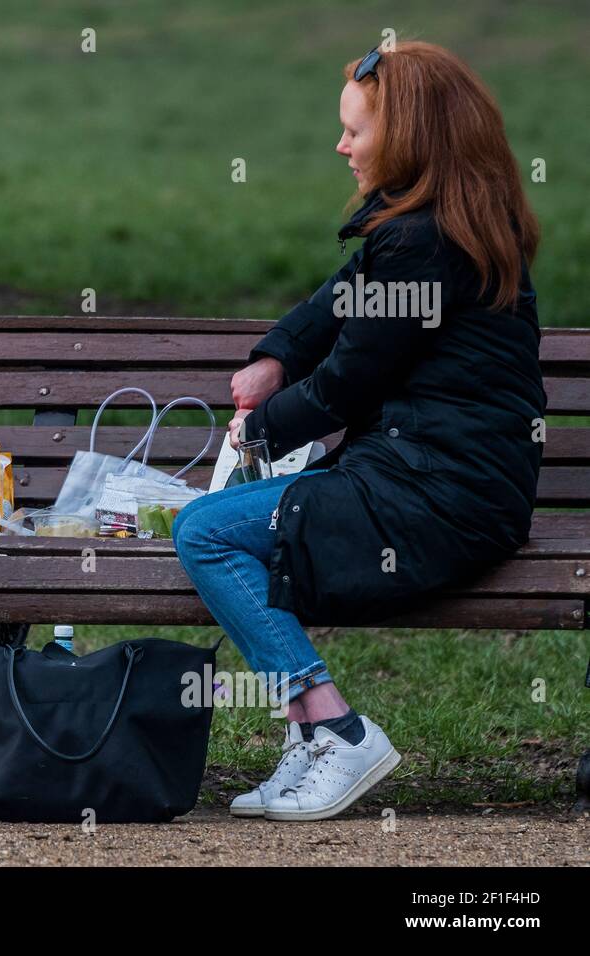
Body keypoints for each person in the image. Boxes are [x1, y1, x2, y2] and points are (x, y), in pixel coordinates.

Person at [171, 41, 544, 822]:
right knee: (221, 528)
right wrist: (273, 360)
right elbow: (338, 302)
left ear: (407, 136)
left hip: (437, 497)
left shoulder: (423, 243)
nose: (341, 146)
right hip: (441, 481)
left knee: (205, 530)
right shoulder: (442, 223)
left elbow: (351, 381)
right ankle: (312, 732)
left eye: (356, 131)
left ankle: (334, 728)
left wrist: (257, 431)